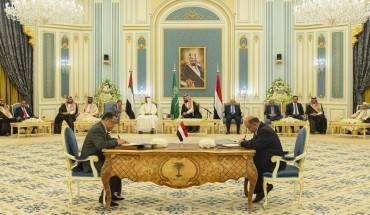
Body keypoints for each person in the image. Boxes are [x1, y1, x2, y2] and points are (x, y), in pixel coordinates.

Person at [80, 112, 128, 207]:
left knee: (118, 167)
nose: (114, 125)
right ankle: (104, 198)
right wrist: (117, 142)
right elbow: (101, 145)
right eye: (113, 122)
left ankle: (112, 194)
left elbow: (107, 140)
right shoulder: (97, 129)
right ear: (106, 120)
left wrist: (118, 141)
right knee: (112, 171)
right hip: (90, 161)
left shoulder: (102, 128)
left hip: (97, 158)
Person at [238, 116, 286, 203]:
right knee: (251, 161)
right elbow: (254, 142)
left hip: (274, 161)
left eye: (249, 127)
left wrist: (242, 143)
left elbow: (255, 145)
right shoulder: (260, 128)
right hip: (267, 156)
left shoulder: (265, 131)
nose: (249, 130)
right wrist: (245, 142)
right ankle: (261, 189)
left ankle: (264, 188)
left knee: (253, 165)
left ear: (255, 124)